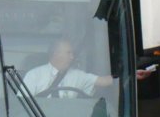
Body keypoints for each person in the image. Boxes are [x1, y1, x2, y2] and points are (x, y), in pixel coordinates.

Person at [23, 38, 152, 98]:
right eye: (69, 53)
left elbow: (103, 80)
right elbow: (21, 104)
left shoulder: (77, 75)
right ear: (56, 54)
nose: (72, 57)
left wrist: (131, 74)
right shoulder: (34, 75)